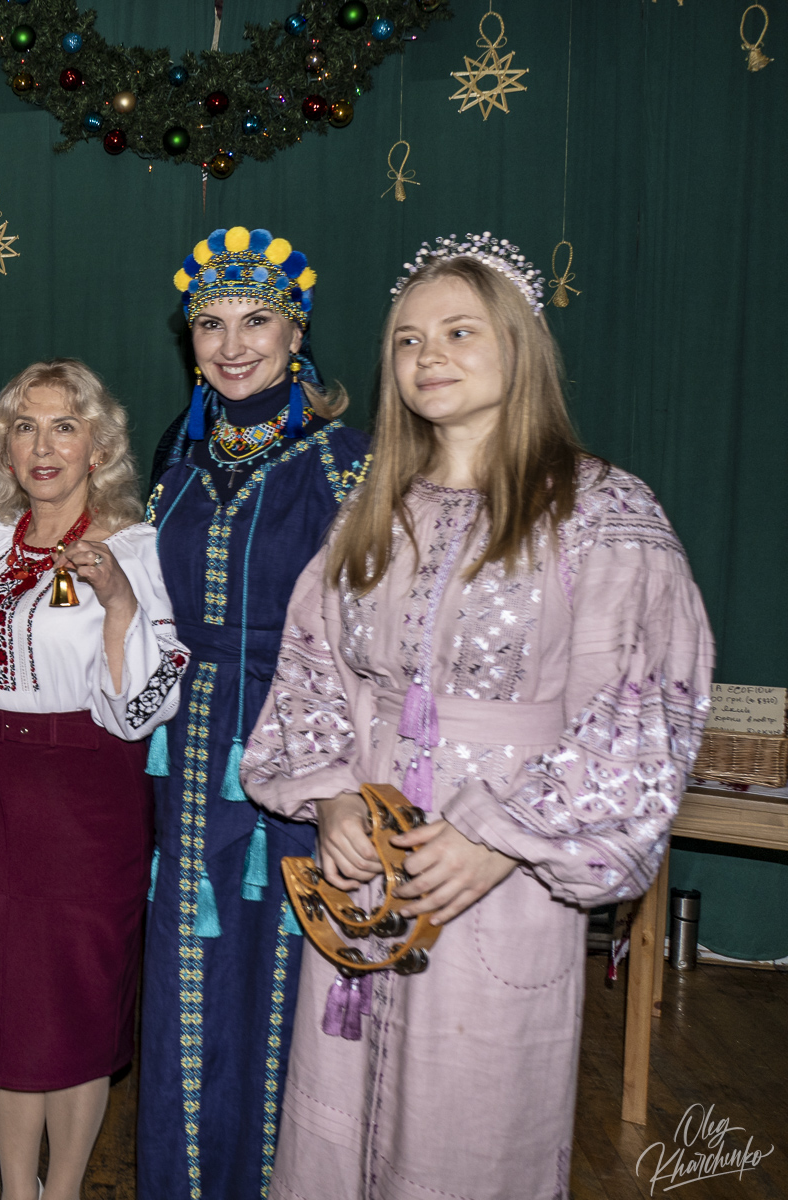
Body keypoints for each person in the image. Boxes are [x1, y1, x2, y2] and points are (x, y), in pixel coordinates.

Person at [242, 233, 715, 1198]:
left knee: (470, 1126)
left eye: (459, 332)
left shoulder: (602, 510)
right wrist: (333, 800)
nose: (430, 356)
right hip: (370, 870)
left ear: (518, 345)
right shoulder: (373, 510)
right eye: (409, 340)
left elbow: (636, 710)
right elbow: (314, 670)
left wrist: (503, 839)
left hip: (501, 876)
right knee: (336, 1116)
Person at [137, 227, 372, 1200]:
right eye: (212, 325)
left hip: (302, 765)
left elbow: (376, 637)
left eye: (257, 321)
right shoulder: (177, 460)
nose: (233, 345)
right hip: (185, 767)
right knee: (187, 988)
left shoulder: (348, 466)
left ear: (297, 333)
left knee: (285, 987)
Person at [0, 360, 186, 1200]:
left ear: (98, 449)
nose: (43, 447)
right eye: (25, 427)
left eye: (64, 427)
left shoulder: (134, 549)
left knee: (75, 1001)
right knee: (7, 1001)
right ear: (5, 450)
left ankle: (66, 1188)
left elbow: (147, 703)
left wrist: (117, 603)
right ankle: (19, 1190)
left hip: (85, 791)